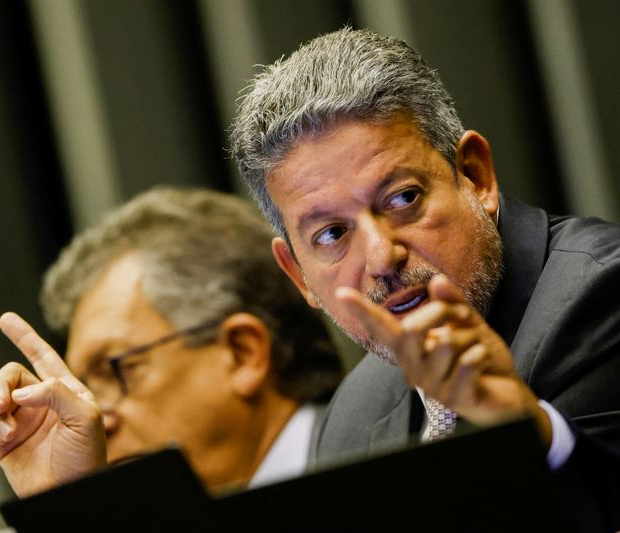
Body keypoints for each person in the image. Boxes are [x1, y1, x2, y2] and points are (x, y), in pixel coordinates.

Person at [229, 27, 619, 531]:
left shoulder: (603, 295)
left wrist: (528, 433)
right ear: (298, 274)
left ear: (476, 176)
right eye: (331, 233)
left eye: (402, 199)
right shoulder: (352, 418)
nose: (381, 257)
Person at [0, 187, 343, 497]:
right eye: (84, 387)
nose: (94, 417)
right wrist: (65, 506)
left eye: (115, 369)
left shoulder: (381, 462)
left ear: (242, 353)